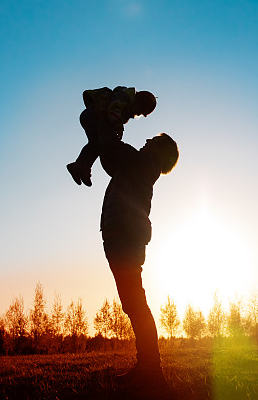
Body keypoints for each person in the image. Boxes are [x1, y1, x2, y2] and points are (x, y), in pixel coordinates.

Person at [97, 121, 178, 386]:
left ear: (159, 152)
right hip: (121, 237)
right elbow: (110, 157)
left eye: (152, 141)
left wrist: (113, 122)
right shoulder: (136, 166)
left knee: (136, 305)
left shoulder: (143, 165)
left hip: (125, 239)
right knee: (134, 304)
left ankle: (151, 370)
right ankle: (148, 367)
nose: (146, 141)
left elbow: (112, 148)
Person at [67, 86, 157, 187]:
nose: (137, 114)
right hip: (92, 116)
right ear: (138, 102)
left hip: (90, 116)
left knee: (95, 144)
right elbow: (113, 110)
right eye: (139, 111)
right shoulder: (124, 98)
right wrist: (119, 127)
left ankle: (80, 166)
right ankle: (81, 167)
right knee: (98, 143)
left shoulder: (125, 101)